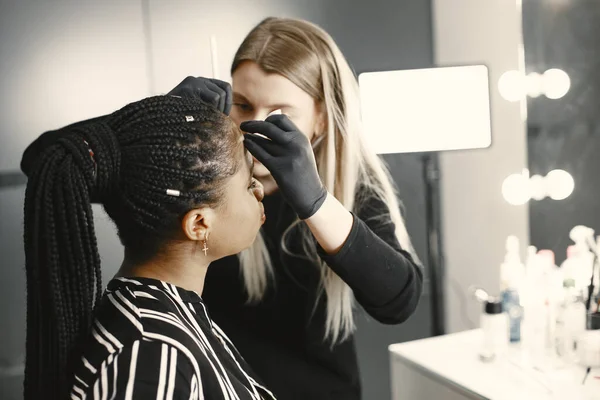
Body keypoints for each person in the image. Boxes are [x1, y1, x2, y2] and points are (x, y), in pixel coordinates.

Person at [201, 17, 424, 400]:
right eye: (243, 105)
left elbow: (399, 300)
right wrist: (153, 121)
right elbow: (63, 161)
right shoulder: (203, 176)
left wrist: (317, 204)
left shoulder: (354, 185)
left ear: (320, 117)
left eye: (279, 113)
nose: (255, 126)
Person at [21, 95, 277, 399]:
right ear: (198, 224)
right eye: (249, 184)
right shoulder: (152, 353)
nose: (260, 190)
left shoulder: (164, 312)